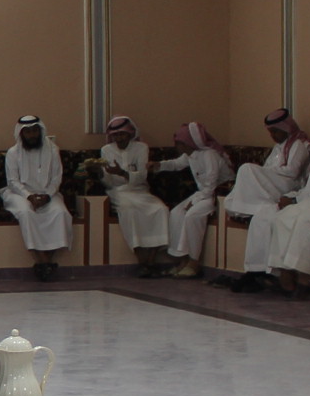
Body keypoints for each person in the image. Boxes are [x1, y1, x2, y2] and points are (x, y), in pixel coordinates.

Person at [239, 114, 310, 295]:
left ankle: (298, 279)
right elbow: (307, 187)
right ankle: (266, 272)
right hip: (305, 199)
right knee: (272, 218)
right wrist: (291, 196)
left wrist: (294, 200)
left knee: (295, 221)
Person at [95, 115, 172, 276]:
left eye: (122, 134)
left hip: (140, 191)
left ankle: (151, 261)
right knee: (129, 210)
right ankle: (141, 261)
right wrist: (100, 173)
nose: (119, 138)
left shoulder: (141, 148)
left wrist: (122, 172)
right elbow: (108, 182)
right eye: (116, 135)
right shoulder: (106, 150)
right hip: (118, 192)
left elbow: (142, 176)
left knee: (161, 210)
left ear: (130, 134)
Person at [1, 115, 69, 280]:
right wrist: (29, 196)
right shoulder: (13, 153)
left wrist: (47, 195)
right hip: (19, 194)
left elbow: (56, 178)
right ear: (21, 133)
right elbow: (13, 182)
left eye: (34, 131)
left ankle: (43, 264)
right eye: (28, 132)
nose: (32, 135)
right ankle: (45, 263)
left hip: (48, 193)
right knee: (26, 213)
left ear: (40, 131)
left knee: (60, 213)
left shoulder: (53, 150)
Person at [161, 122, 233, 278]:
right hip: (203, 194)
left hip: (219, 195)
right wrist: (157, 166)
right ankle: (182, 260)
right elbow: (176, 164)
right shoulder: (191, 155)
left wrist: (194, 202)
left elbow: (211, 184)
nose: (176, 146)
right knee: (176, 213)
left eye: (179, 143)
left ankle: (194, 263)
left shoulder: (210, 155)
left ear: (188, 143)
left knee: (192, 216)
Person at [225, 109, 310, 226]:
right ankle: (250, 207)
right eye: (270, 132)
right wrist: (265, 171)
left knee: (247, 168)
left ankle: (256, 206)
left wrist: (267, 171)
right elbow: (267, 167)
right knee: (245, 174)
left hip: (289, 183)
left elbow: (293, 171)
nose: (272, 136)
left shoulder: (298, 144)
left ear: (285, 129)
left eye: (275, 132)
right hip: (276, 180)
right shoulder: (278, 147)